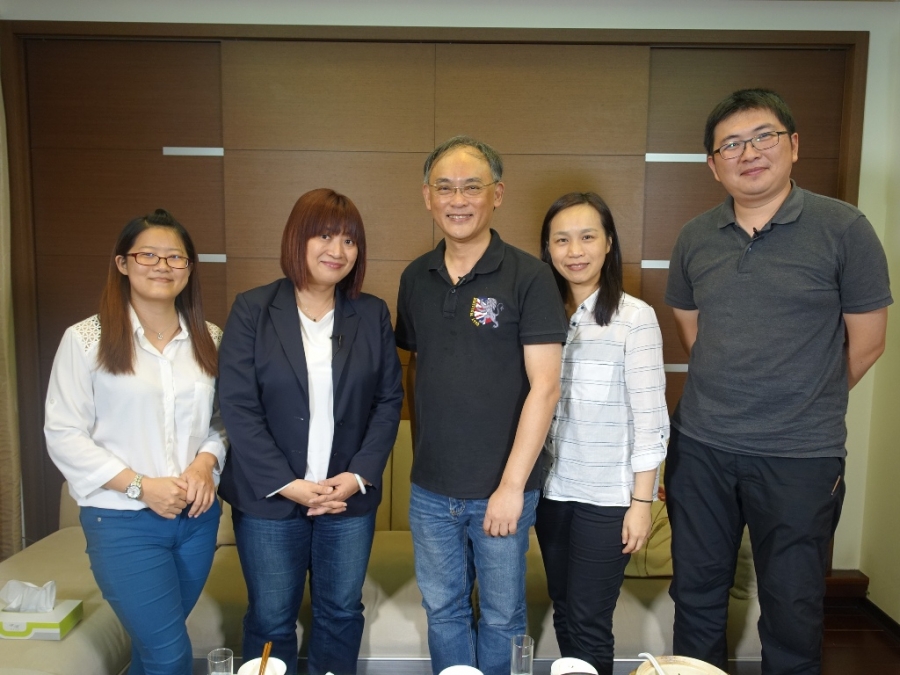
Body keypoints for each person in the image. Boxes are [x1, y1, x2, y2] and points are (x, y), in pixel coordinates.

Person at [664, 89, 892, 675]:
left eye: (763, 136)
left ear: (793, 144)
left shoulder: (844, 229)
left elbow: (868, 343)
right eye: (731, 145)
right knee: (696, 596)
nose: (749, 153)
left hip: (801, 455)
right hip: (702, 448)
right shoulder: (695, 236)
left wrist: (802, 397)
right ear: (713, 164)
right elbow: (694, 333)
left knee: (792, 608)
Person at [395, 136, 568, 675]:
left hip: (502, 489)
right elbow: (417, 365)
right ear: (427, 196)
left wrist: (512, 488)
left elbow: (546, 387)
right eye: (445, 187)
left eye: (472, 186)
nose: (458, 199)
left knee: (502, 615)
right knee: (443, 610)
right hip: (430, 490)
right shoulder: (415, 277)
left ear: (498, 194)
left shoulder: (530, 277)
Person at [217, 188, 403, 675]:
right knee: (270, 618)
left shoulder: (371, 313)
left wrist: (357, 476)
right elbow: (238, 405)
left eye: (349, 240)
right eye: (324, 236)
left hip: (346, 500)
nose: (337, 250)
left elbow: (388, 402)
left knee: (341, 613)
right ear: (297, 239)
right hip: (270, 501)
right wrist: (289, 484)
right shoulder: (252, 309)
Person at [44, 209, 226, 675]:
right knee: (170, 654)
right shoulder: (85, 339)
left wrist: (205, 463)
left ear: (189, 268)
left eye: (175, 257)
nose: (162, 266)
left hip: (197, 519)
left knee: (152, 650)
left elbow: (222, 422)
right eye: (148, 255)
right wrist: (141, 486)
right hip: (122, 521)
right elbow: (63, 433)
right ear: (123, 263)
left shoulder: (210, 338)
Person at [535, 192, 668, 675]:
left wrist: (641, 503)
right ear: (547, 249)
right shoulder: (540, 315)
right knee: (564, 608)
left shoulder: (635, 318)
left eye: (587, 237)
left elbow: (651, 420)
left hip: (608, 498)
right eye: (561, 240)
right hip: (552, 492)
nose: (575, 251)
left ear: (609, 243)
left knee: (590, 620)